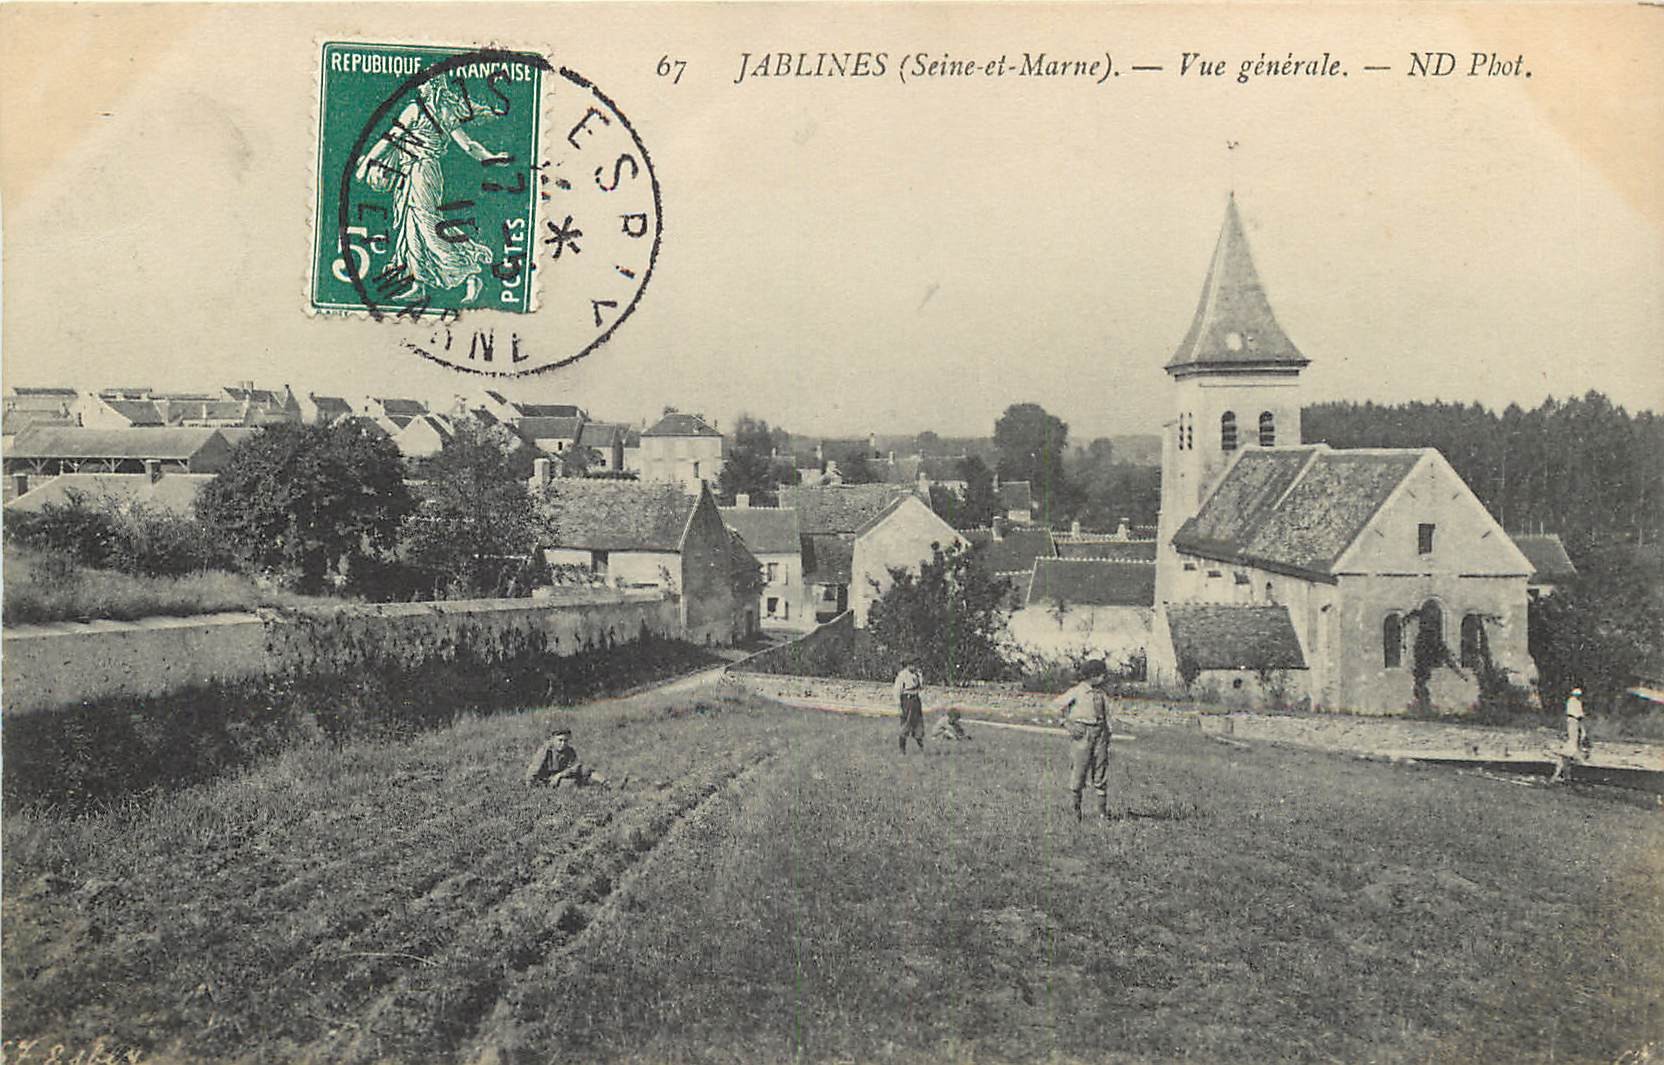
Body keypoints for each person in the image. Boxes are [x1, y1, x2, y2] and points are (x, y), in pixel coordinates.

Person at [1053, 660, 1113, 821]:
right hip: (1082, 734)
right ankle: (1076, 813)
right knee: (1079, 772)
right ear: (1091, 676)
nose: (1104, 677)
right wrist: (1067, 723)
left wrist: (1107, 734)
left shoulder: (1101, 694)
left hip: (1100, 734)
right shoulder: (1077, 692)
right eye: (1101, 674)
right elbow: (1055, 706)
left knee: (1101, 772)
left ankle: (1102, 813)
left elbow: (1108, 714)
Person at [523, 727, 619, 788]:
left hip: (560, 775)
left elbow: (575, 766)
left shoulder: (569, 750)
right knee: (570, 784)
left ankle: (607, 783)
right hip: (548, 780)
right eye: (560, 740)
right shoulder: (546, 750)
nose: (563, 743)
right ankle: (592, 787)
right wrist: (530, 786)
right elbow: (534, 769)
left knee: (584, 769)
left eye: (565, 741)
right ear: (553, 739)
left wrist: (560, 775)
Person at [1551, 687, 1590, 783]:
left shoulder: (1577, 701)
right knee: (1573, 739)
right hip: (1573, 719)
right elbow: (1575, 714)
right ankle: (1575, 756)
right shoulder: (1572, 701)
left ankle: (1562, 775)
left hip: (1576, 720)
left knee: (1577, 738)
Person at [894, 662, 926, 755]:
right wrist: (899, 705)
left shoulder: (917, 674)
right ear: (907, 665)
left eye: (915, 665)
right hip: (907, 701)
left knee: (918, 724)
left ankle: (921, 749)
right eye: (911, 665)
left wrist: (920, 677)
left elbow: (921, 688)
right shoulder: (902, 675)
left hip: (916, 701)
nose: (914, 667)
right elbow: (897, 690)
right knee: (906, 724)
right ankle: (902, 750)